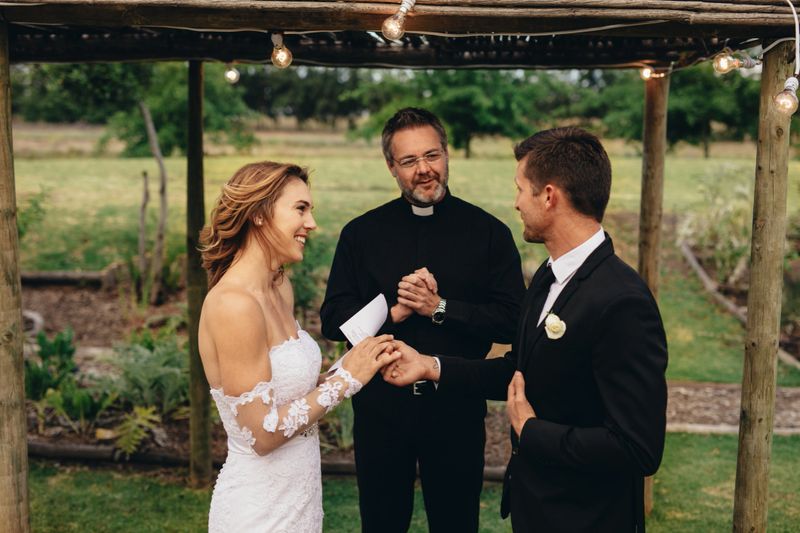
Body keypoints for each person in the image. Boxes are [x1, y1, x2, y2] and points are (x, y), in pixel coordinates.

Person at [384, 127, 668, 532]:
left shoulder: (622, 301)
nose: (515, 203)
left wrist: (533, 433)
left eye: (520, 189)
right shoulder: (547, 277)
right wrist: (430, 366)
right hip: (537, 509)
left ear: (549, 196)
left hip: (588, 518)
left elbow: (638, 448)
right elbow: (518, 371)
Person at [320, 107, 525, 532]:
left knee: (455, 523)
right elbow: (333, 320)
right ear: (391, 167)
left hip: (456, 405)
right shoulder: (360, 234)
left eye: (432, 156)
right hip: (379, 410)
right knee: (381, 522)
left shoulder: (489, 233)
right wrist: (393, 310)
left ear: (447, 155)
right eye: (409, 161)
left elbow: (511, 321)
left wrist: (441, 308)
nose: (424, 170)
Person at [197, 161, 400, 532]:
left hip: (301, 497)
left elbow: (288, 394)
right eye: (300, 209)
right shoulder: (233, 305)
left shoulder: (279, 287)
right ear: (259, 214)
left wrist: (352, 364)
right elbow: (262, 433)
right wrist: (346, 382)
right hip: (257, 510)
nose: (312, 224)